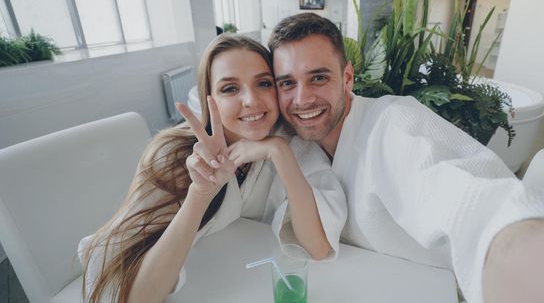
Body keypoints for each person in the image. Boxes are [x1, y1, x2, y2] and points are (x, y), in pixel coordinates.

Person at [265, 12, 544, 303]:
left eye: (318, 78)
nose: (302, 99)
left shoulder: (394, 126)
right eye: (287, 83)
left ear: (347, 78)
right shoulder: (299, 144)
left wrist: (539, 265)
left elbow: (471, 201)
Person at [78, 34, 346, 303]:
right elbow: (136, 297)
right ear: (210, 99)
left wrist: (280, 152)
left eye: (263, 83)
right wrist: (200, 192)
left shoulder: (288, 140)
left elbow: (318, 247)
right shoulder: (173, 154)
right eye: (230, 88)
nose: (251, 100)